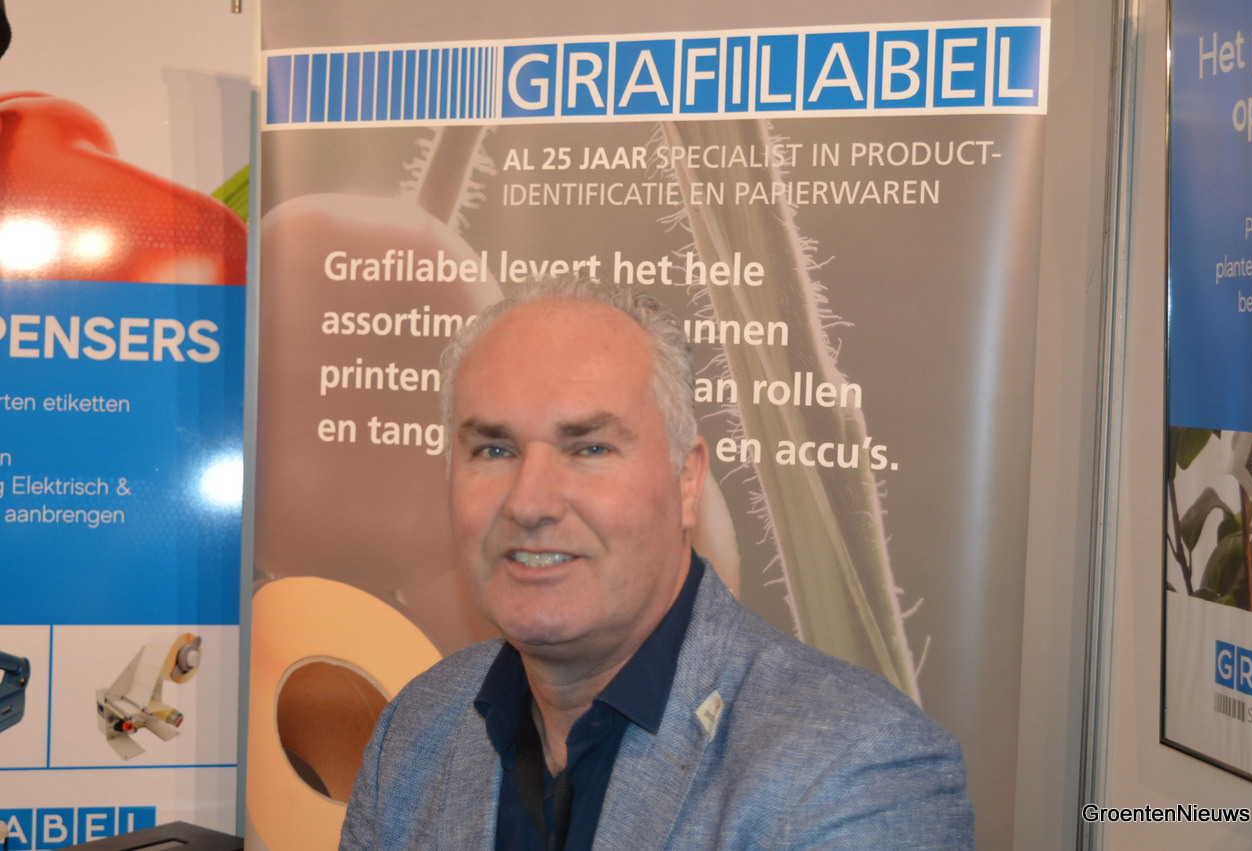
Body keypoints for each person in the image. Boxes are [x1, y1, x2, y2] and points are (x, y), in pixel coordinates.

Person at [340, 277, 974, 850]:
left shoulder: (853, 771)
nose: (529, 503)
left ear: (688, 481)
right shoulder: (417, 730)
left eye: (589, 448)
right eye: (494, 450)